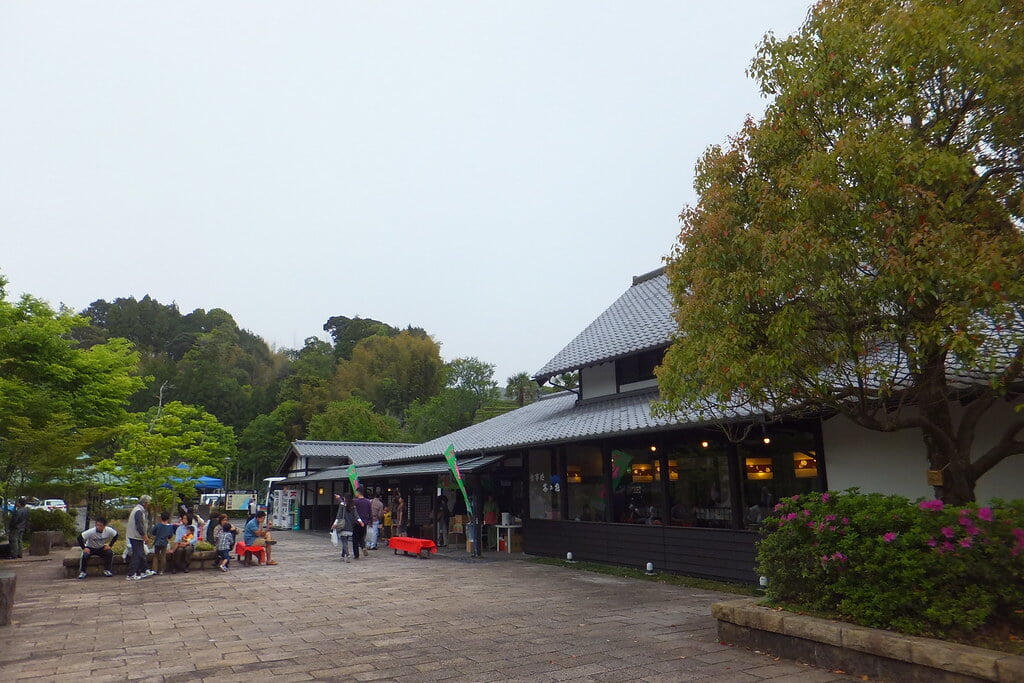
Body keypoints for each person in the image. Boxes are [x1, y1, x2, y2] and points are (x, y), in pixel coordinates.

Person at [126, 495, 155, 581]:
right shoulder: (139, 511)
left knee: (141, 553)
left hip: (135, 535)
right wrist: (145, 536)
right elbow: (139, 525)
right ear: (145, 503)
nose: (148, 505)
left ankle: (144, 570)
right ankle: (131, 574)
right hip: (136, 536)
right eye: (148, 503)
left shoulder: (138, 510)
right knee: (137, 555)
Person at [332, 494, 358, 562]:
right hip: (350, 527)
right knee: (345, 541)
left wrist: (334, 524)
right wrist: (360, 521)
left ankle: (348, 555)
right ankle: (342, 556)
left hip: (343, 526)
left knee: (344, 542)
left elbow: (338, 516)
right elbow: (356, 515)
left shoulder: (342, 505)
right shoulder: (353, 506)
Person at [352, 488, 372, 558]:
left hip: (356, 522)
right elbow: (370, 512)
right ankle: (363, 546)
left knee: (355, 538)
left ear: (358, 492)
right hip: (365, 522)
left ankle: (356, 555)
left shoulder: (355, 501)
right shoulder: (368, 501)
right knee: (361, 537)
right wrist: (370, 521)